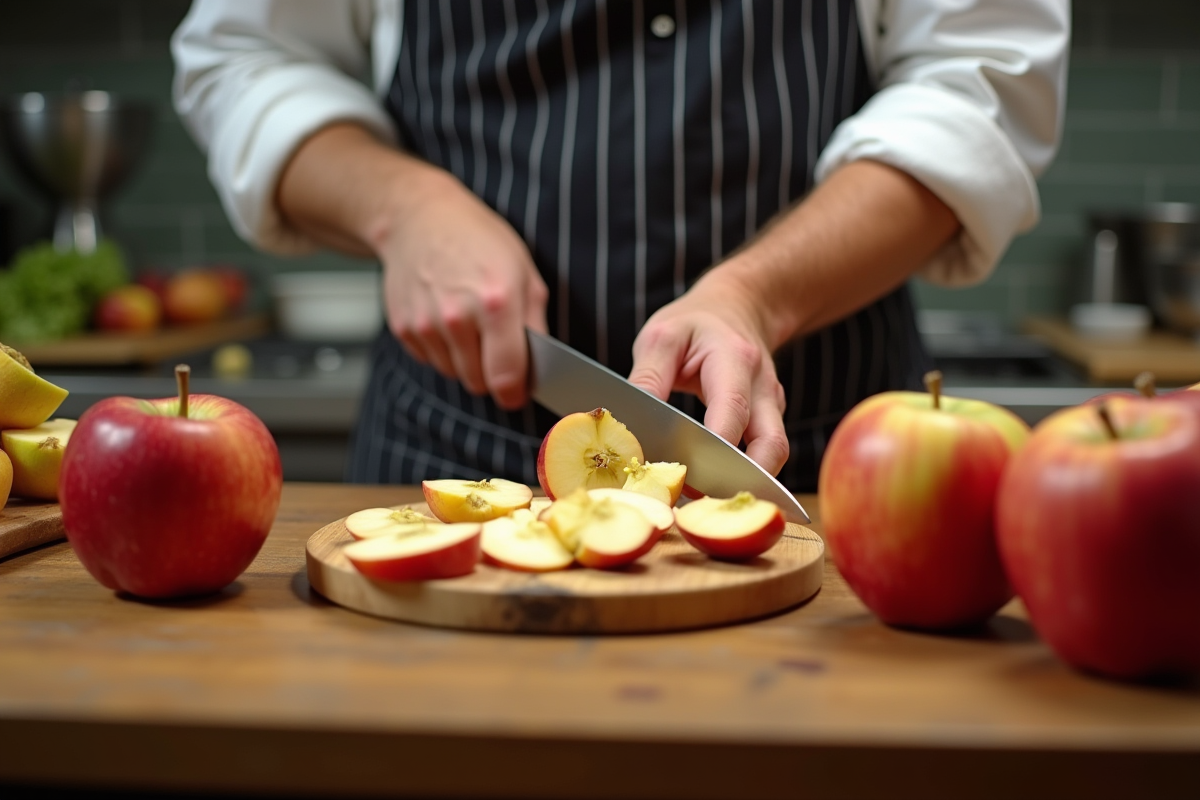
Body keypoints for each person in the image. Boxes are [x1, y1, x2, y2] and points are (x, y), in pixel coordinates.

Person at [172, 0, 1068, 490]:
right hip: (450, 464)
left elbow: (976, 84)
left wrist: (758, 291)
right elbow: (245, 61)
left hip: (829, 468)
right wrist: (403, 205)